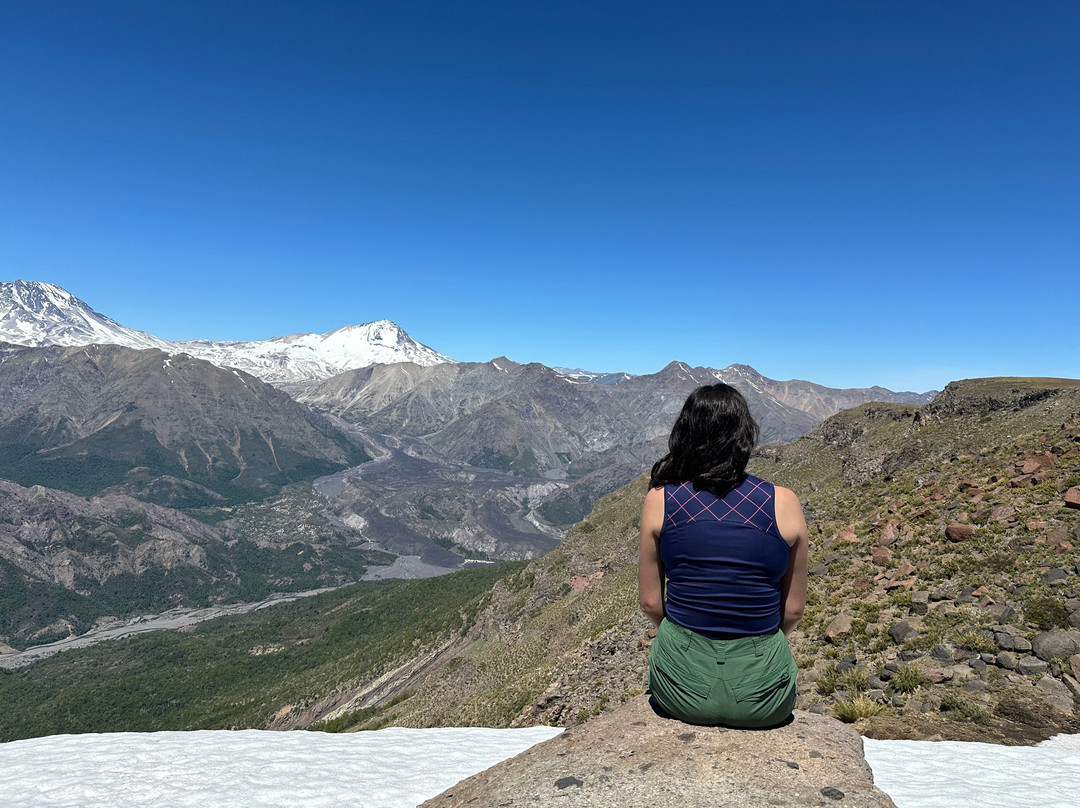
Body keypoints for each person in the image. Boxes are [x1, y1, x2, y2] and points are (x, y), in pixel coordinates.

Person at [638, 383, 808, 728]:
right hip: (764, 699)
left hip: (680, 690)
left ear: (684, 434)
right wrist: (758, 645)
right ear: (745, 437)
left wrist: (678, 638)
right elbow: (792, 610)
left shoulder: (661, 500)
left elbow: (651, 604)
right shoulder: (785, 502)